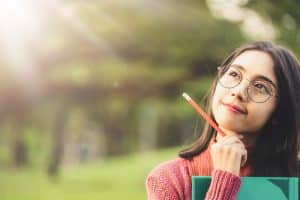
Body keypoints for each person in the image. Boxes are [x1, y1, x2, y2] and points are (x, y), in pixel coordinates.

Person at [145, 41, 300, 200]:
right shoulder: (169, 180)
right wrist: (224, 180)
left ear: (280, 111)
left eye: (260, 86)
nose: (238, 91)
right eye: (233, 74)